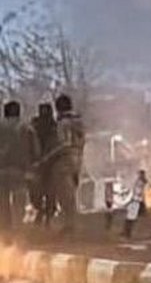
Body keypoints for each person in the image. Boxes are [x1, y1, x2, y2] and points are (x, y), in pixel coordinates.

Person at [46, 94, 85, 234]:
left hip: (64, 160)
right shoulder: (79, 121)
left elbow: (64, 144)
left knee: (65, 195)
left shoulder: (63, 123)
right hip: (78, 158)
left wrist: (47, 157)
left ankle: (70, 226)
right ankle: (71, 224)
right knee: (71, 193)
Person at [0, 101, 37, 234]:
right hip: (19, 170)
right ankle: (18, 230)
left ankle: (4, 230)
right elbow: (35, 149)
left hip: (1, 169)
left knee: (2, 201)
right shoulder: (26, 127)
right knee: (19, 201)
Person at [29, 103, 57, 226]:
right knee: (38, 193)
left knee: (48, 193)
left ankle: (46, 217)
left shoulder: (54, 127)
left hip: (49, 162)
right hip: (41, 162)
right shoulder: (35, 126)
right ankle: (42, 214)